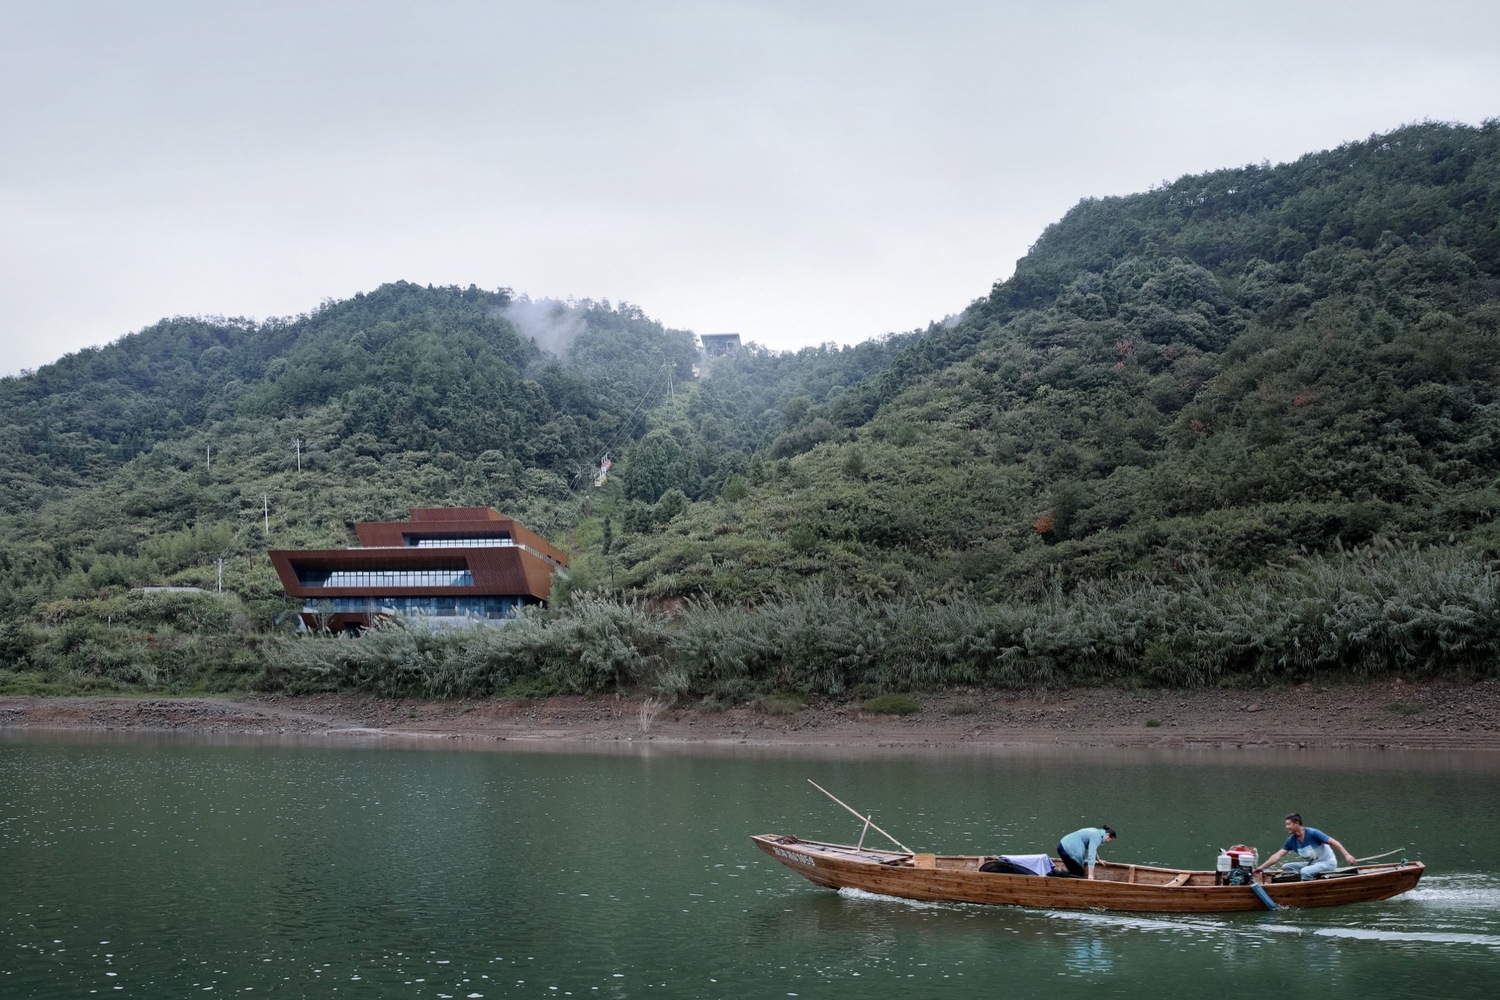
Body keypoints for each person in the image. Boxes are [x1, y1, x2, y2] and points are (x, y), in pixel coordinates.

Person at [1255, 812, 1357, 880]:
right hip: (1312, 864)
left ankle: (1309, 890)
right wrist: (1261, 868)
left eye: (1288, 824)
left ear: (1297, 824)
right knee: (1286, 867)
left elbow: (1334, 842)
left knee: (1305, 871)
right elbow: (1277, 856)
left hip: (1328, 863)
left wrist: (1347, 855)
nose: (1286, 827)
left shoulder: (1313, 833)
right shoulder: (1291, 840)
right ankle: (1301, 881)